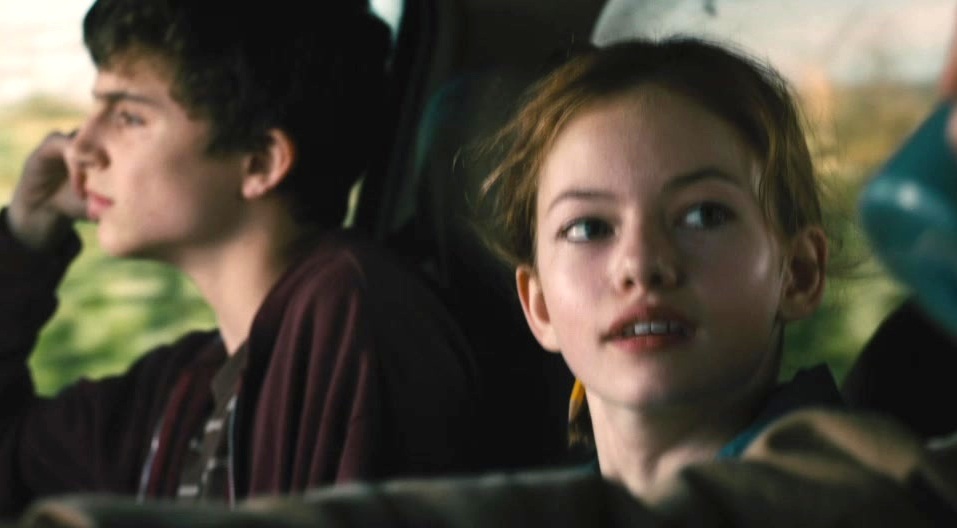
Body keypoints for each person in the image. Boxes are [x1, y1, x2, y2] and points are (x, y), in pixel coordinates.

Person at [9, 36, 956, 528]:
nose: (641, 263)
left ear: (799, 270)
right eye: (587, 227)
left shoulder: (863, 478)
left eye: (703, 215)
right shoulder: (560, 479)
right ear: (535, 303)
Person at [0, 0, 482, 517]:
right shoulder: (181, 389)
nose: (79, 147)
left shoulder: (347, 310)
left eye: (129, 117)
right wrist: (25, 232)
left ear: (260, 163)